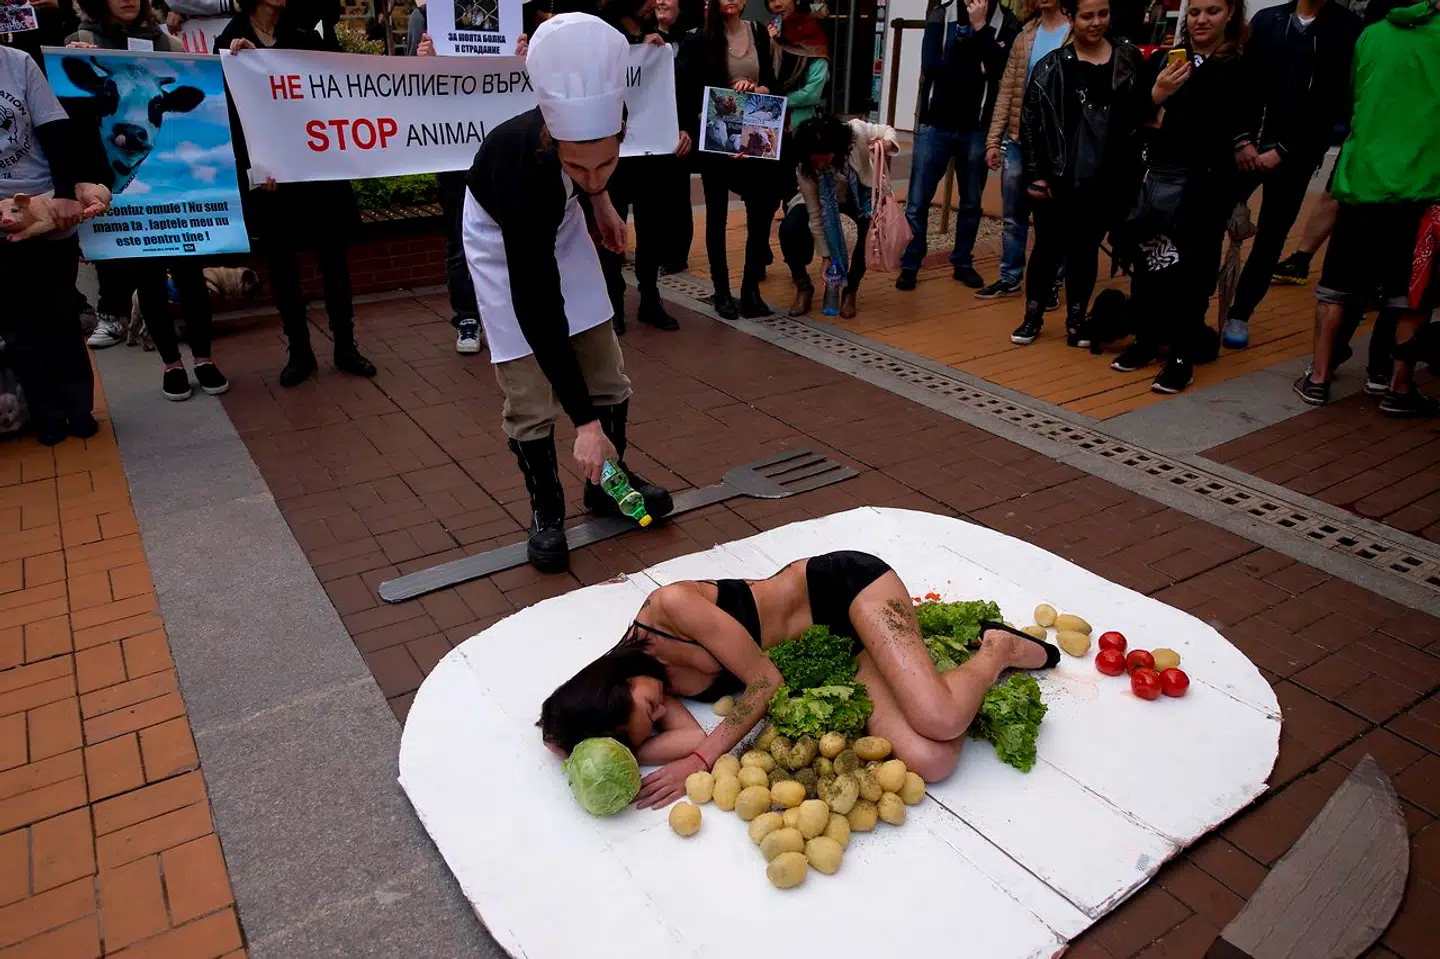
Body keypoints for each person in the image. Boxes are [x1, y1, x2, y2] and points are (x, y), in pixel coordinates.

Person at [537, 551, 1061, 807]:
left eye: (647, 710)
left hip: (849, 591)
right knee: (934, 759)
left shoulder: (670, 608)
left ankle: (997, 648)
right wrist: (586, 753)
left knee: (941, 717)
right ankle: (921, 670)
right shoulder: (652, 683)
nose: (660, 714)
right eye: (651, 723)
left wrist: (700, 763)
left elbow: (764, 683)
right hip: (835, 656)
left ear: (613, 686)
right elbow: (692, 738)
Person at [461, 12, 674, 572]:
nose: (594, 170)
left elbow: (592, 170)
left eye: (607, 160)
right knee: (529, 385)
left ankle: (606, 485)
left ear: (620, 130)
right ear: (553, 139)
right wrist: (580, 423)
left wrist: (596, 198)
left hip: (563, 217)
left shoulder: (592, 153)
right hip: (504, 233)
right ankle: (547, 509)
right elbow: (538, 307)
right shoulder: (524, 167)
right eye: (577, 164)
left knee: (604, 363)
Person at [63, 0, 228, 400]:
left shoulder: (168, 44)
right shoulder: (81, 43)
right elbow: (65, 105)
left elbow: (204, 95)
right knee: (148, 278)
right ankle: (171, 364)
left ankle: (204, 359)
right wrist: (68, 58)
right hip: (119, 193)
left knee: (190, 273)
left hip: (171, 187)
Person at [217, 0, 376, 387]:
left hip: (317, 172)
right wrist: (256, 168)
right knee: (283, 266)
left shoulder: (305, 31)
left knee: (334, 262)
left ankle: (345, 346)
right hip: (272, 181)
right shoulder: (229, 42)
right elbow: (233, 119)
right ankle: (299, 352)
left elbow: (335, 81)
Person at [1293, 0, 1440, 415]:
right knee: (1412, 296)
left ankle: (1318, 379)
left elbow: (1356, 96)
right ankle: (1398, 386)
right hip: (1421, 186)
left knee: (1337, 289)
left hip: (1363, 181)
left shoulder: (1371, 34)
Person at [1111, 0, 1249, 393]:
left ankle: (1182, 356)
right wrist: (1156, 94)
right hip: (1156, 181)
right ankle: (1146, 340)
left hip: (1205, 185)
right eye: (1195, 12)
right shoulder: (1165, 61)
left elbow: (1228, 130)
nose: (1201, 20)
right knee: (1150, 264)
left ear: (1230, 16)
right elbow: (1128, 116)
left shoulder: (1239, 66)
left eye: (1212, 11)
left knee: (1192, 274)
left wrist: (1173, 117)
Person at [1220, 0, 1361, 349]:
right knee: (1210, 220)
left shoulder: (1346, 28)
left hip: (1295, 154)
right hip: (1246, 144)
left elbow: (1332, 100)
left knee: (1271, 237)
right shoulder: (1269, 20)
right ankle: (1194, 302)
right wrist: (1242, 140)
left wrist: (1283, 151)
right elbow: (1241, 85)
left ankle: (1240, 312)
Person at [1011, 0, 1144, 347]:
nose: (1096, 22)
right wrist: (1036, 175)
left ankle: (1076, 318)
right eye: (1087, 16)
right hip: (1059, 178)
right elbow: (1029, 125)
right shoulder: (1050, 67)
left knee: (1085, 251)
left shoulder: (1127, 58)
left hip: (1105, 177)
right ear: (1071, 18)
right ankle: (1033, 314)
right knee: (1047, 249)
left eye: (1103, 14)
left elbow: (1138, 115)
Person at [0, 44, 110, 444]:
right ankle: (43, 413)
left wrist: (65, 192)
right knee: (18, 326)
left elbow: (54, 128)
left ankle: (77, 407)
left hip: (42, 204)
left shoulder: (16, 62)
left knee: (61, 313)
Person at [895, 0, 1019, 294]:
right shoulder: (942, 13)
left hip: (976, 128)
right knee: (917, 201)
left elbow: (1001, 68)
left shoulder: (1007, 21)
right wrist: (980, 62)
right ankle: (911, 263)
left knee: (971, 202)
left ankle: (962, 262)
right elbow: (931, 65)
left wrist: (978, 29)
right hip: (934, 124)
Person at [676, 0, 783, 319]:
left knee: (763, 208)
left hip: (756, 136)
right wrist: (714, 106)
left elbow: (774, 85)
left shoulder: (759, 33)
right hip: (718, 137)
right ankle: (721, 291)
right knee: (717, 214)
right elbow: (687, 90)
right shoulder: (699, 39)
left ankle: (751, 289)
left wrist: (758, 87)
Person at [595, 0, 685, 334]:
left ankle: (650, 299)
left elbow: (672, 92)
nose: (652, 5)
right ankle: (613, 304)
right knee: (610, 231)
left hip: (650, 154)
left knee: (652, 231)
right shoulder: (603, 34)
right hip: (613, 156)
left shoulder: (658, 38)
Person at [982, 0, 1069, 300]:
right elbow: (1006, 90)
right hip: (1019, 139)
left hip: (1056, 147)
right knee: (1012, 216)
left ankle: (1052, 282)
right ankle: (1010, 277)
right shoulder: (1024, 36)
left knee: (1055, 219)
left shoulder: (1073, 33)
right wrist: (994, 140)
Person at [779, 113, 898, 318]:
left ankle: (850, 290)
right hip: (821, 198)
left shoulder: (856, 132)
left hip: (857, 193)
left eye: (825, 159)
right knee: (790, 228)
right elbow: (816, 216)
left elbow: (887, 129)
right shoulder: (805, 168)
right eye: (815, 161)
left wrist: (887, 144)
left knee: (869, 232)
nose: (821, 166)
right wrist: (826, 257)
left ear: (836, 148)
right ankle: (803, 286)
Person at [412, 26, 486, 354]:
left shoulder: (509, 16)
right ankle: (468, 318)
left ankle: (509, 316)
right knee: (460, 241)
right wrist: (423, 62)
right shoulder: (426, 19)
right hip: (455, 155)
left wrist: (522, 58)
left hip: (497, 146)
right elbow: (412, 85)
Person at [653, 0, 694, 276]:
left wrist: (688, 128)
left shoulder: (692, 40)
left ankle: (676, 254)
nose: (661, 1)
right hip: (645, 130)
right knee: (650, 194)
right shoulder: (637, 37)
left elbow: (695, 88)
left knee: (677, 193)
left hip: (679, 129)